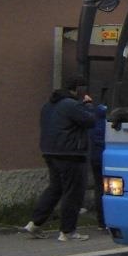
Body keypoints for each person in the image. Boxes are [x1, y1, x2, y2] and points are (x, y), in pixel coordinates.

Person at [21, 77, 96, 241]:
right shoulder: (71, 105)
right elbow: (90, 120)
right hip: (71, 153)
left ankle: (34, 223)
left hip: (50, 152)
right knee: (73, 192)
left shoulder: (48, 106)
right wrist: (89, 105)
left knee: (55, 189)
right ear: (77, 89)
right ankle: (67, 231)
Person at [89, 101, 108, 231]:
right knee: (107, 189)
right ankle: (106, 220)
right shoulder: (106, 125)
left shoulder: (92, 123)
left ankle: (101, 222)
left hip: (94, 158)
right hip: (105, 160)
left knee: (99, 188)